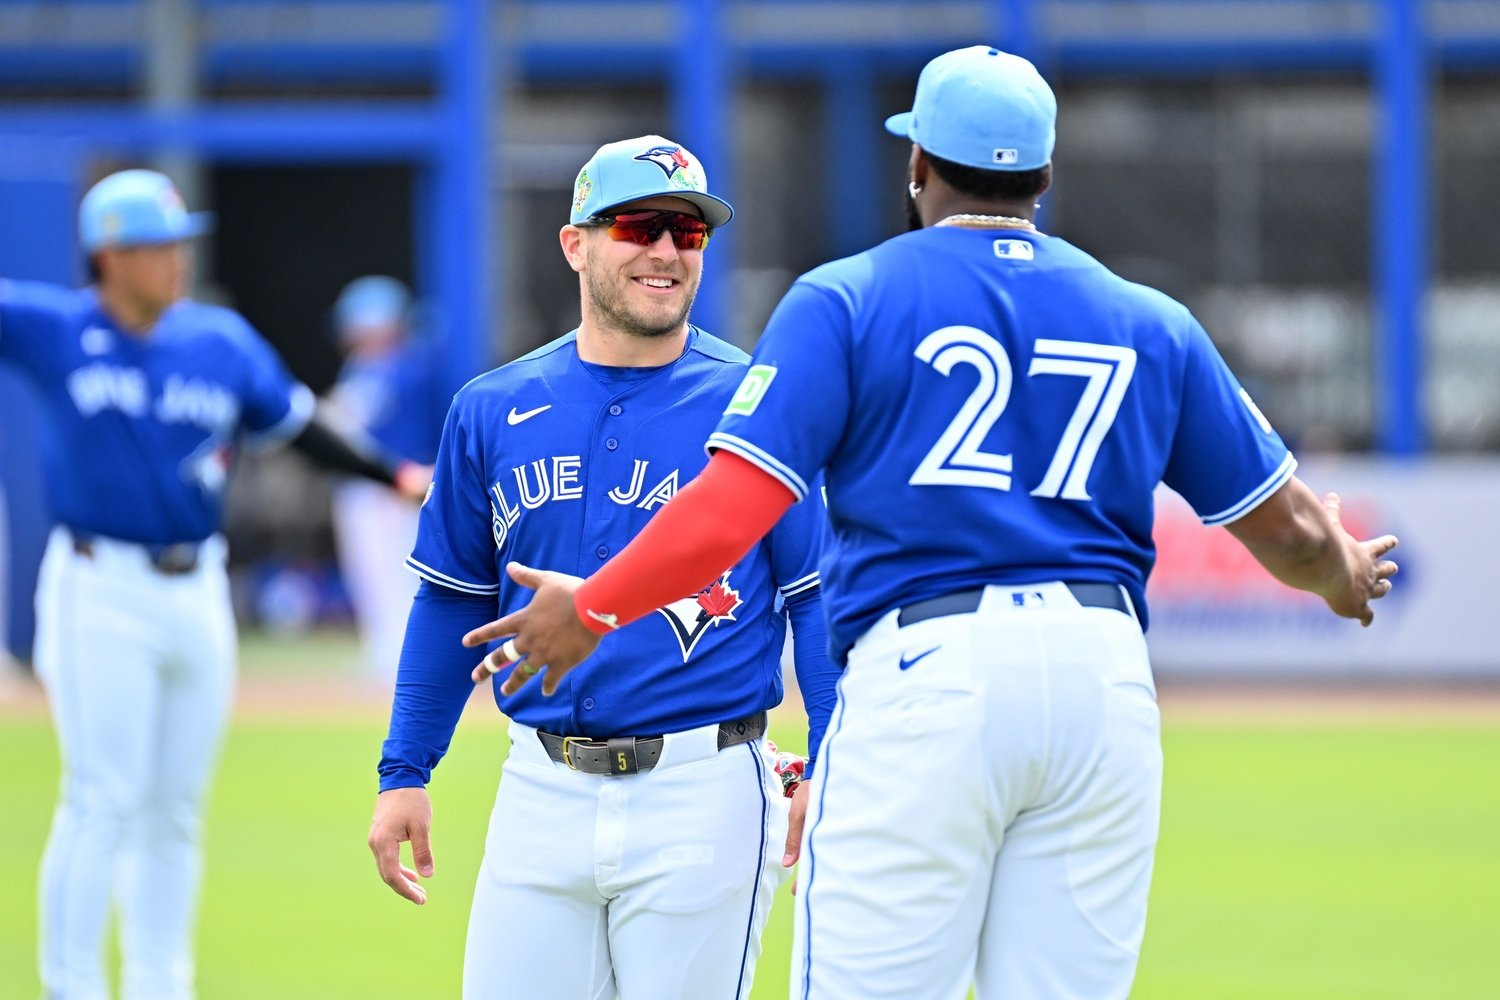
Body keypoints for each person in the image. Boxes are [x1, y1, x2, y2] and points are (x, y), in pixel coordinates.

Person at [463, 48, 1401, 1000]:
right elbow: (1286, 530)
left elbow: (730, 513)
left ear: (916, 167)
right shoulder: (1146, 316)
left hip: (931, 671)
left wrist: (596, 606)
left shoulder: (849, 296)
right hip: (1104, 682)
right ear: (1042, 175)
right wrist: (1345, 573)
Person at [365, 135, 838, 999]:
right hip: (538, 786)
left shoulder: (758, 404)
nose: (664, 250)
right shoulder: (494, 408)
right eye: (638, 225)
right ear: (576, 242)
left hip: (706, 788)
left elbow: (816, 604)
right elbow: (449, 604)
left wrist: (835, 763)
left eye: (688, 234)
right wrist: (405, 772)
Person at [0, 168, 430, 1000]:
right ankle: (72, 986)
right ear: (110, 257)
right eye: (158, 245)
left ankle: (164, 985)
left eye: (178, 242)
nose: (177, 259)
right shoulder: (56, 328)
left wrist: (390, 475)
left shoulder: (219, 341)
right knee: (101, 800)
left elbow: (300, 425)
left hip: (196, 589)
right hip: (100, 585)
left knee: (175, 810)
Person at [326, 275, 446, 680]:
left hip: (394, 486)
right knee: (372, 575)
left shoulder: (405, 367)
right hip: (367, 487)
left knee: (397, 575)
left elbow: (341, 419)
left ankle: (398, 660)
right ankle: (384, 654)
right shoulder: (362, 366)